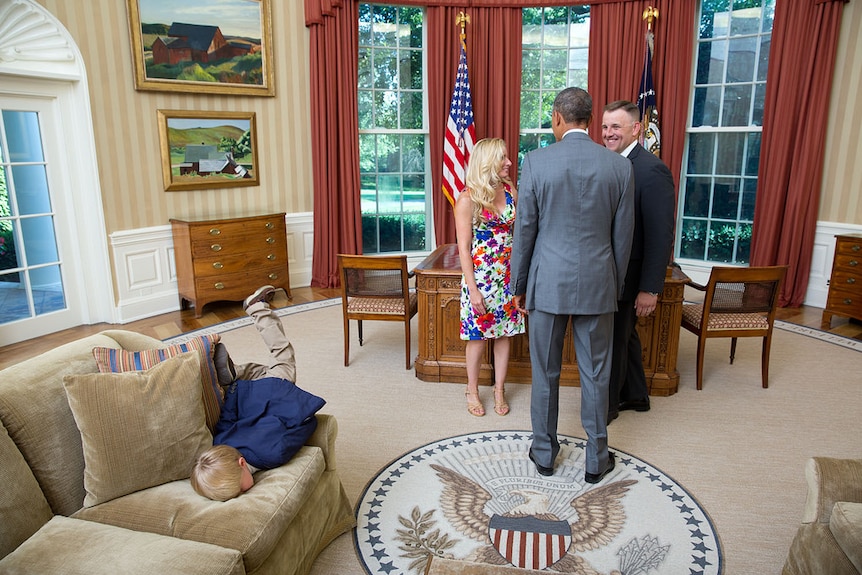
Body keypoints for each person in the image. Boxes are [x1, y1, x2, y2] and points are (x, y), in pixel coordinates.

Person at [510, 87, 634, 484]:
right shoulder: (618, 166)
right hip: (598, 284)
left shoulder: (537, 162)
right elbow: (623, 237)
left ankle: (544, 454)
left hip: (547, 284)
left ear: (559, 118)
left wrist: (519, 283)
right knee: (596, 374)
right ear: (589, 119)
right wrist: (612, 286)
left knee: (544, 371)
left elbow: (525, 229)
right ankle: (596, 459)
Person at [191, 285, 325, 501]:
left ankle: (257, 308)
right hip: (245, 395)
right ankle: (233, 377)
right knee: (261, 372)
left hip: (276, 390)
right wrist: (234, 392)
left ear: (242, 464)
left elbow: (306, 426)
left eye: (241, 490)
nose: (241, 493)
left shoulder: (273, 455)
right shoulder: (220, 443)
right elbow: (226, 419)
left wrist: (307, 415)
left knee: (281, 352)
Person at [601, 100, 676, 422]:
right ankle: (635, 395)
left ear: (636, 129)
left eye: (616, 127)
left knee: (614, 339)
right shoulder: (606, 163)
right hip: (609, 270)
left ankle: (607, 407)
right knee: (625, 335)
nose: (608, 133)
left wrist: (650, 288)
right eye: (604, 127)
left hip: (631, 275)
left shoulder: (651, 169)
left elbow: (661, 235)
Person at [454, 138, 526, 417]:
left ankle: (499, 389)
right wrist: (473, 290)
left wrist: (521, 280)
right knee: (477, 337)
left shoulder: (510, 192)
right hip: (480, 280)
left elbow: (520, 237)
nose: (509, 162)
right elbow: (463, 248)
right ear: (487, 163)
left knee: (504, 335)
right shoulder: (467, 198)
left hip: (507, 278)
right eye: (503, 158)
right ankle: (472, 390)